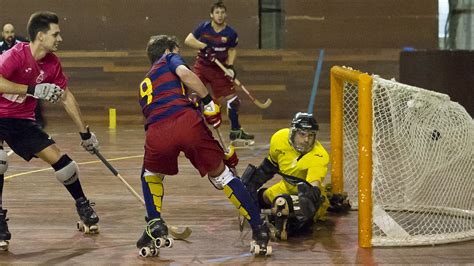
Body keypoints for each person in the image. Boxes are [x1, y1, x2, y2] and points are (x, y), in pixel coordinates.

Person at [135, 34, 271, 257]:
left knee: (150, 173)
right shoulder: (170, 60)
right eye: (177, 50)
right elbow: (186, 74)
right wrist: (208, 101)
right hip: (185, 123)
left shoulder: (144, 82)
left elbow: (158, 112)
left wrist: (199, 107)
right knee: (222, 175)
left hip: (156, 131)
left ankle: (154, 225)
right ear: (169, 51)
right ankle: (259, 228)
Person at [0, 11, 100, 251]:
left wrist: (84, 133)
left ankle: (83, 205)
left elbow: (66, 96)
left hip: (21, 121)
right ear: (41, 36)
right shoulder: (15, 55)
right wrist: (32, 89)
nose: (60, 39)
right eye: (56, 34)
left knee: (66, 165)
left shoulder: (52, 63)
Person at [241, 112, 339, 240]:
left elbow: (313, 185)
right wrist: (250, 185)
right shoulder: (279, 138)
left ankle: (287, 224)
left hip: (303, 195)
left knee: (303, 212)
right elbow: (269, 167)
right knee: (261, 197)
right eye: (302, 134)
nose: (306, 140)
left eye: (310, 135)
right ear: (293, 132)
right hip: (285, 187)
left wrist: (311, 199)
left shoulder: (319, 155)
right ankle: (278, 212)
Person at [184, 0, 255, 146]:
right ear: (212, 14)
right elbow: (188, 40)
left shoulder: (231, 33)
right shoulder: (203, 28)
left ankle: (236, 132)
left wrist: (230, 67)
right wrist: (204, 47)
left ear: (226, 14)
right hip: (202, 67)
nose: (220, 15)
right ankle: (192, 132)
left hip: (219, 69)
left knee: (233, 100)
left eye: (222, 12)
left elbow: (232, 50)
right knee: (195, 99)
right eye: (217, 12)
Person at [0, 23, 45, 129]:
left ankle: (37, 121)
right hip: (4, 77)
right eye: (7, 32)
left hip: (21, 75)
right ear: (3, 33)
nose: (10, 34)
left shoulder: (22, 42)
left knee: (33, 94)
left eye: (11, 32)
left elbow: (32, 55)